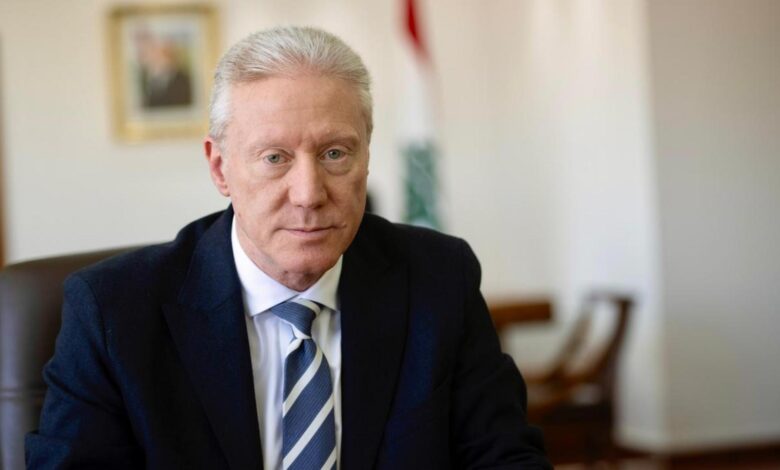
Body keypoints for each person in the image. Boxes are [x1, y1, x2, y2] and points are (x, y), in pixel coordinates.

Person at [26, 26, 550, 469]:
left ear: (367, 157)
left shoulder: (440, 279)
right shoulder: (113, 312)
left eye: (335, 153)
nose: (309, 194)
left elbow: (505, 458)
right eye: (275, 158)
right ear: (220, 169)